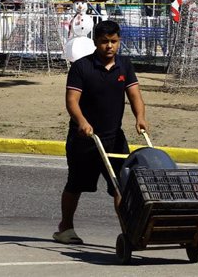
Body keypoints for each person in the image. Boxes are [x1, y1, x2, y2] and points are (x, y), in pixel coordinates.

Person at [53, 20, 149, 245]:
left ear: (119, 41)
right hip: (85, 139)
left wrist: (140, 118)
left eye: (114, 42)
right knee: (76, 184)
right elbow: (72, 101)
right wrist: (82, 122)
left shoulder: (124, 65)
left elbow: (135, 95)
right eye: (104, 42)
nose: (109, 46)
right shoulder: (81, 67)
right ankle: (65, 227)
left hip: (114, 138)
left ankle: (129, 231)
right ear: (95, 42)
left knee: (121, 186)